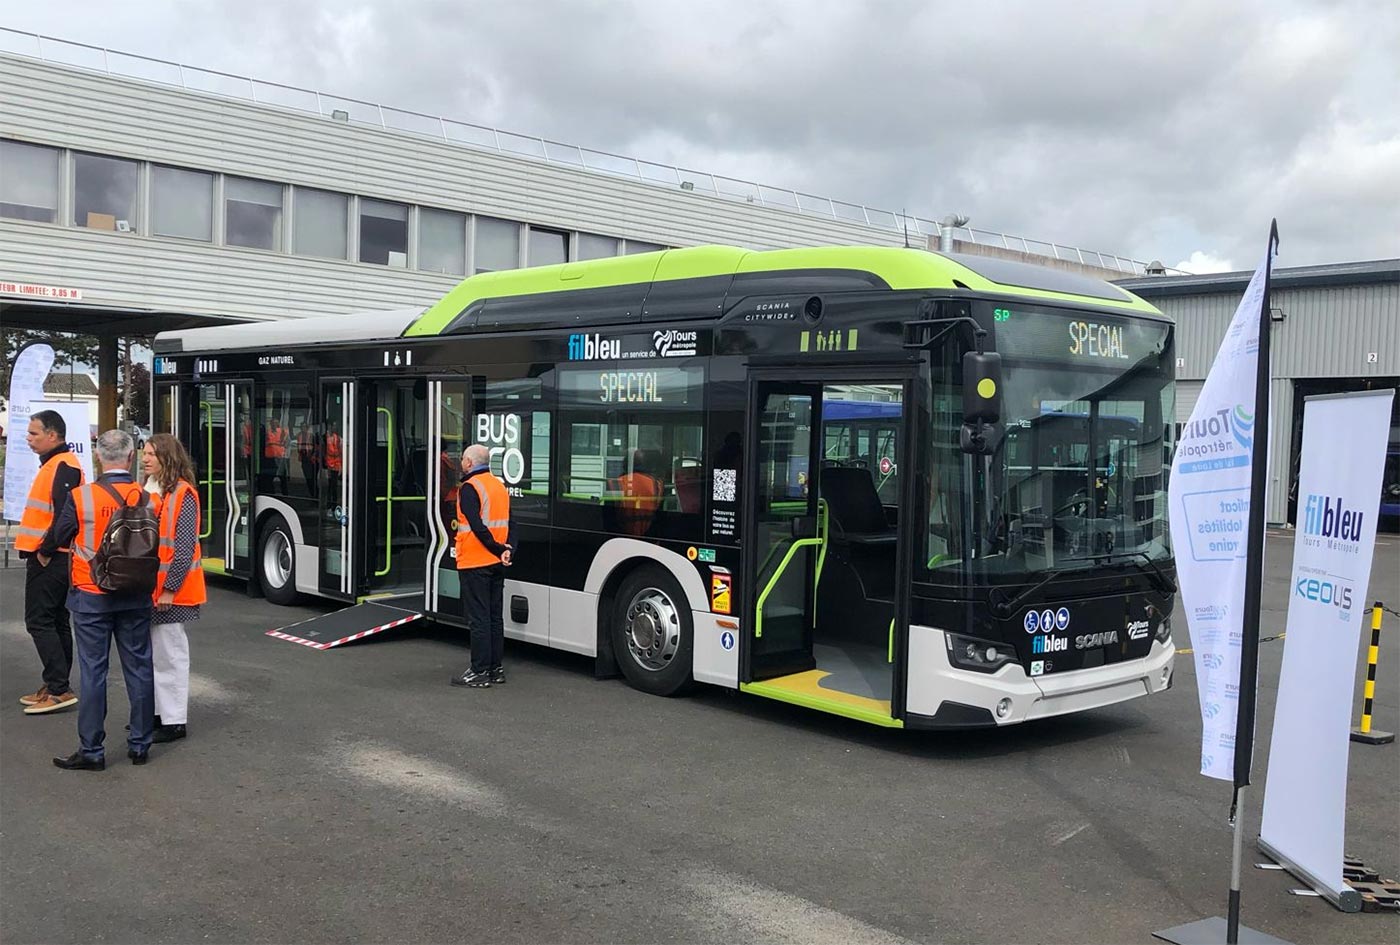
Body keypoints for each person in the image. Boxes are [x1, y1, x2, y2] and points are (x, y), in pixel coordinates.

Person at [50, 429, 162, 771]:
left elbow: (59, 535)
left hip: (91, 594)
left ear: (99, 456)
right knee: (140, 668)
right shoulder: (148, 499)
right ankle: (141, 744)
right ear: (130, 458)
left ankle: (92, 751)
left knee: (94, 672)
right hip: (136, 594)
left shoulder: (82, 497)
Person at [16, 410, 85, 715]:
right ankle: (56, 684)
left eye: (34, 434)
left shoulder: (64, 466)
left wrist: (45, 548)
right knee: (54, 620)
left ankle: (59, 687)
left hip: (51, 557)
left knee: (39, 620)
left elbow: (65, 515)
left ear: (53, 435)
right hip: (52, 555)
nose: (28, 439)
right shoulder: (57, 464)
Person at [141, 434, 206, 744]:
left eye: (152, 453)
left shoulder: (183, 494)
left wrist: (169, 588)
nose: (145, 458)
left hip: (172, 593)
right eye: (144, 453)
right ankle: (159, 716)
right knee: (157, 657)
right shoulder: (160, 491)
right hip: (157, 591)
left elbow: (182, 548)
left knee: (170, 657)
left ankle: (174, 721)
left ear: (167, 457)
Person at [450, 444, 514, 689]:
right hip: (497, 563)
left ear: (468, 462)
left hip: (475, 561)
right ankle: (495, 669)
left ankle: (478, 671)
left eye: (463, 459)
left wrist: (498, 548)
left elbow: (476, 527)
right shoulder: (498, 486)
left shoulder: (469, 488)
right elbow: (512, 522)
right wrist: (507, 550)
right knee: (494, 618)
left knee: (478, 620)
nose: (462, 463)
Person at [612, 449, 662, 536]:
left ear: (625, 465)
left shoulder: (616, 483)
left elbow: (610, 514)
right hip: (650, 538)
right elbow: (659, 512)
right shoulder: (657, 484)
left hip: (621, 537)